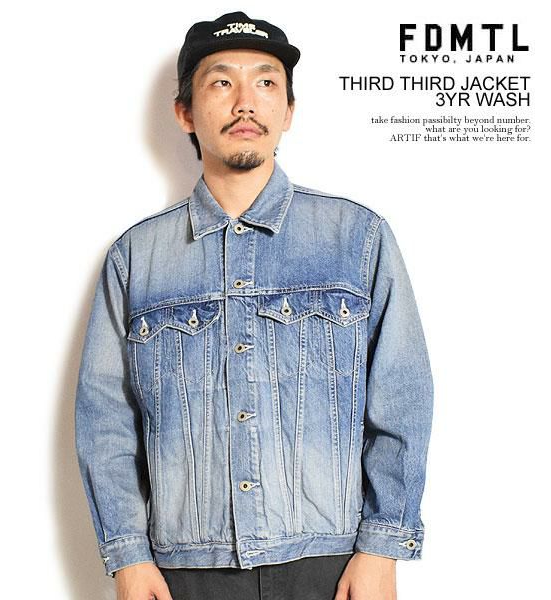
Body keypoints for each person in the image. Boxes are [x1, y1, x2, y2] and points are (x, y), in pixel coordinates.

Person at [74, 11, 434, 600]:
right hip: (184, 572)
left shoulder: (357, 239)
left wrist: (382, 547)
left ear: (288, 110)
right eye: (221, 82)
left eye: (266, 82)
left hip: (332, 563)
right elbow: (105, 418)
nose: (246, 102)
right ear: (184, 112)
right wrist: (129, 558)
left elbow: (402, 397)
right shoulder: (136, 258)